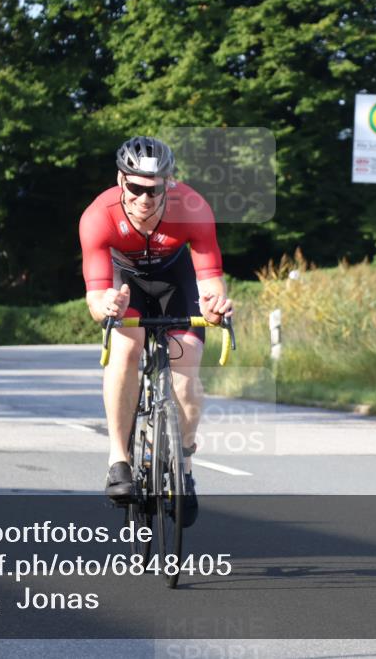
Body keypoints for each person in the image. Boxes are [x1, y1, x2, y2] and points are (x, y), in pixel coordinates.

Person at [78, 136, 232, 527]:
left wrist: (215, 307)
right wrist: (106, 306)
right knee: (126, 347)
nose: (145, 198)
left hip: (175, 280)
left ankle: (184, 464)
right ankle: (118, 459)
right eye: (136, 188)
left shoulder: (192, 208)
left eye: (155, 189)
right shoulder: (99, 216)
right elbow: (96, 297)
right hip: (124, 281)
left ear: (170, 183)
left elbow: (210, 280)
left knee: (188, 365)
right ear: (121, 180)